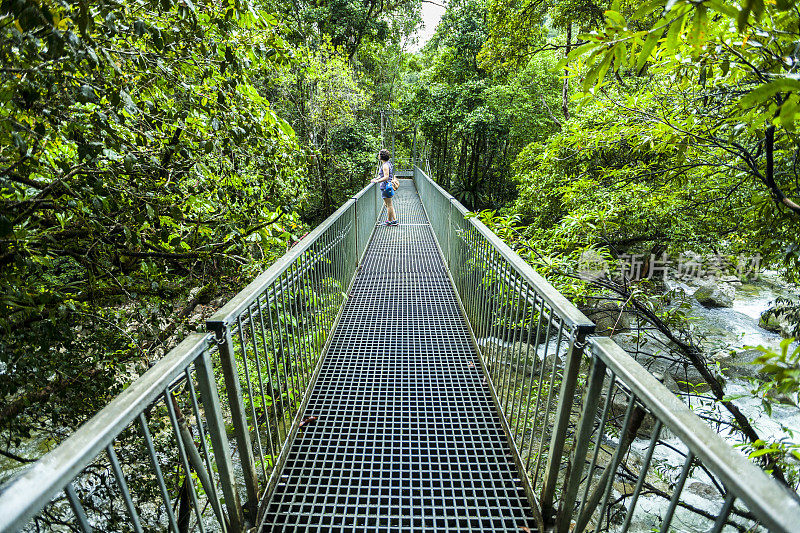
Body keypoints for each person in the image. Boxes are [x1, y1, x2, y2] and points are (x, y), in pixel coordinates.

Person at [370, 149, 398, 226]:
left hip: (386, 187)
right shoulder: (387, 163)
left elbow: (386, 177)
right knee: (388, 204)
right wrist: (377, 178)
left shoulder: (385, 165)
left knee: (389, 204)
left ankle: (389, 221)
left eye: (379, 154)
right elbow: (382, 175)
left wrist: (377, 181)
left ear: (381, 156)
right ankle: (394, 220)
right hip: (386, 186)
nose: (378, 156)